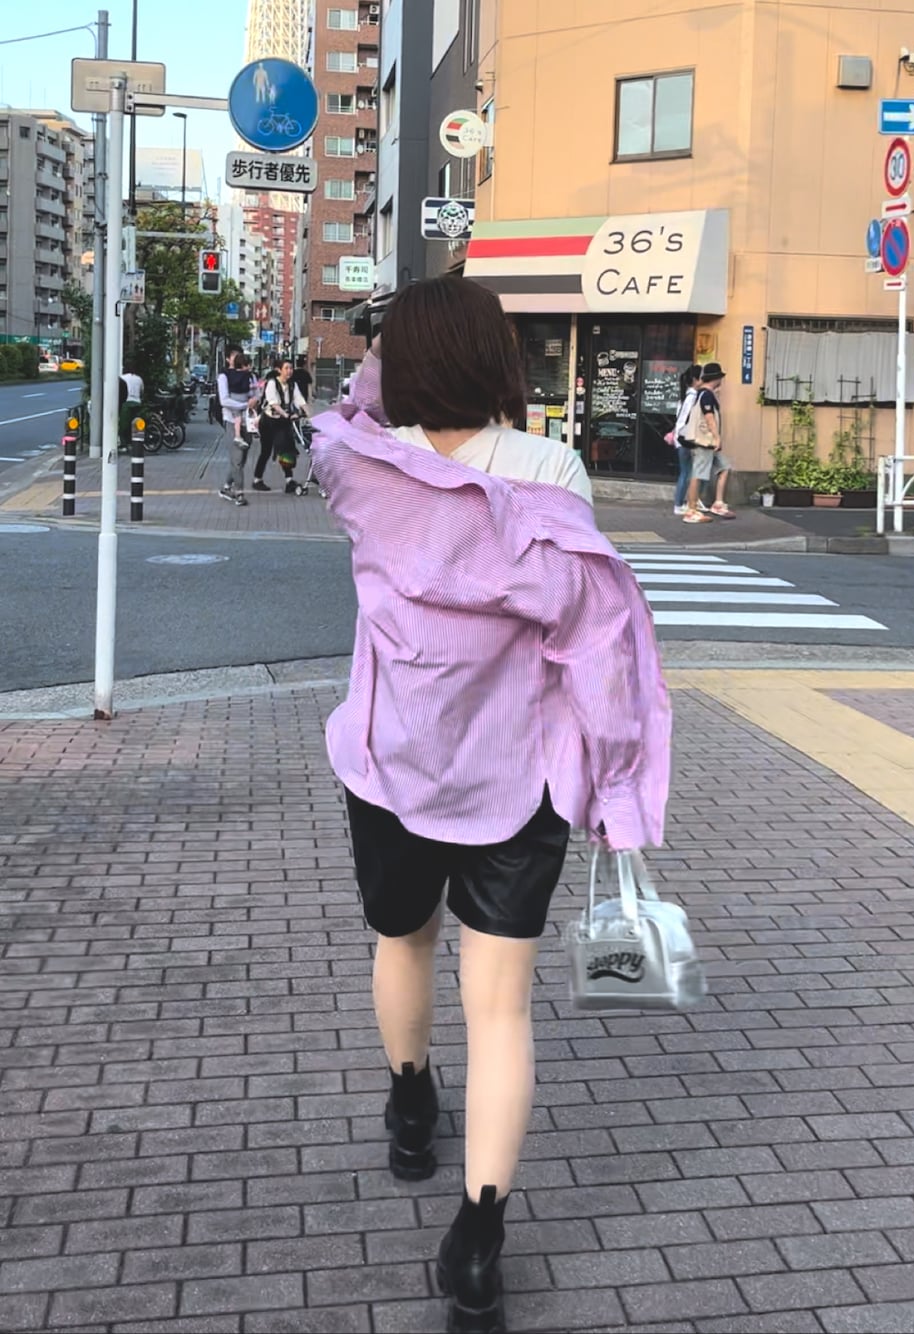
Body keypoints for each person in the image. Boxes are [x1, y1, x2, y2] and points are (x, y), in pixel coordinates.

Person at [309, 277, 670, 1334]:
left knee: (402, 939)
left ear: (402, 363)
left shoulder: (358, 466)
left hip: (391, 761)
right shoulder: (550, 474)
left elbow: (350, 406)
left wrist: (389, 368)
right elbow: (594, 646)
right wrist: (617, 788)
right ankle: (477, 1244)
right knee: (501, 1005)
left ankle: (410, 1100)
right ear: (498, 360)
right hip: (520, 776)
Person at [683, 361, 735, 522]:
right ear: (716, 378)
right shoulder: (706, 395)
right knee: (697, 474)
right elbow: (709, 417)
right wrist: (717, 437)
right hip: (703, 441)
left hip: (708, 442)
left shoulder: (703, 394)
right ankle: (691, 510)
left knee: (724, 467)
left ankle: (718, 503)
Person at [264, 358, 308, 493]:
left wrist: (310, 415)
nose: (289, 371)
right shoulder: (272, 383)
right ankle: (257, 478)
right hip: (271, 420)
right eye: (286, 368)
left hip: (285, 420)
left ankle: (289, 480)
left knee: (289, 450)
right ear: (279, 370)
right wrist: (286, 415)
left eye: (291, 368)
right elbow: (273, 403)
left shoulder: (293, 385)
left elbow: (300, 400)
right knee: (278, 449)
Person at [217, 346, 254, 507]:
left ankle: (226, 487)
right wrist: (245, 405)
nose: (237, 358)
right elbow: (224, 400)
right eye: (234, 356)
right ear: (228, 359)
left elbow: (255, 394)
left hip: (248, 422)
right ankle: (239, 493)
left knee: (241, 460)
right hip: (231, 420)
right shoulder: (223, 376)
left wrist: (254, 400)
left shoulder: (249, 376)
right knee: (237, 459)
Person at [669, 363, 701, 517]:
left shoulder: (684, 396)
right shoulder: (693, 397)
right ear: (695, 379)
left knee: (686, 471)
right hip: (685, 438)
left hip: (680, 437)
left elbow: (678, 417)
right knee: (687, 472)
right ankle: (679, 504)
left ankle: (683, 502)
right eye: (702, 377)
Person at [118, 366, 144, 449]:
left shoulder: (122, 378)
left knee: (124, 424)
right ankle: (136, 443)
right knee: (136, 424)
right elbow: (142, 391)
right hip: (137, 403)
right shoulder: (139, 379)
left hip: (127, 402)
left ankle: (124, 443)